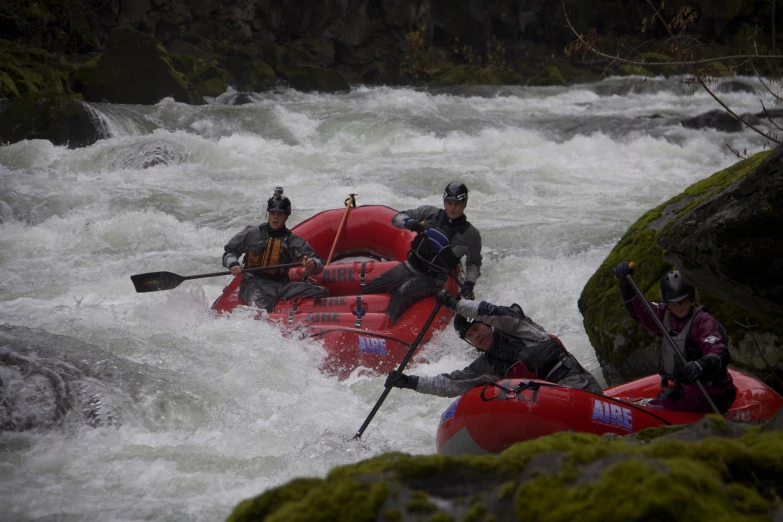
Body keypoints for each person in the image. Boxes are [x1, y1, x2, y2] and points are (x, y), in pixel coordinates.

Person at [385, 292, 603, 397]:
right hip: (546, 403)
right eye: (470, 335)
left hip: (578, 387)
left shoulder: (517, 327)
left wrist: (456, 304)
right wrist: (409, 381)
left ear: (488, 325)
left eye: (478, 328)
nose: (476, 335)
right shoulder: (486, 365)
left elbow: (493, 313)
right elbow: (449, 383)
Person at [613, 262, 736, 412]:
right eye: (673, 303)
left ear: (690, 298)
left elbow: (718, 352)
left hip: (713, 391)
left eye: (682, 301)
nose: (678, 306)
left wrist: (701, 364)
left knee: (665, 404)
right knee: (668, 396)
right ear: (667, 303)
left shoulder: (703, 321)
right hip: (688, 387)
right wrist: (625, 285)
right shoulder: (664, 315)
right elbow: (640, 310)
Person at [361, 182, 482, 324]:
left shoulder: (471, 234)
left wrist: (469, 284)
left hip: (433, 279)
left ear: (464, 204)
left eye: (457, 203)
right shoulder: (429, 213)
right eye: (449, 203)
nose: (453, 208)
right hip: (409, 266)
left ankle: (386, 326)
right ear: (444, 202)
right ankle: (358, 318)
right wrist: (409, 223)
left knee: (403, 292)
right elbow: (397, 218)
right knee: (371, 288)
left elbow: (473, 263)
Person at [222, 187, 329, 311]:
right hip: (253, 283)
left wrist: (312, 264)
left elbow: (318, 263)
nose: (275, 217)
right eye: (273, 213)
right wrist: (233, 264)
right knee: (260, 308)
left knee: (321, 292)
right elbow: (229, 252)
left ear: (286, 216)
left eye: (280, 214)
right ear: (268, 214)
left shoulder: (293, 241)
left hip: (281, 286)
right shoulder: (252, 233)